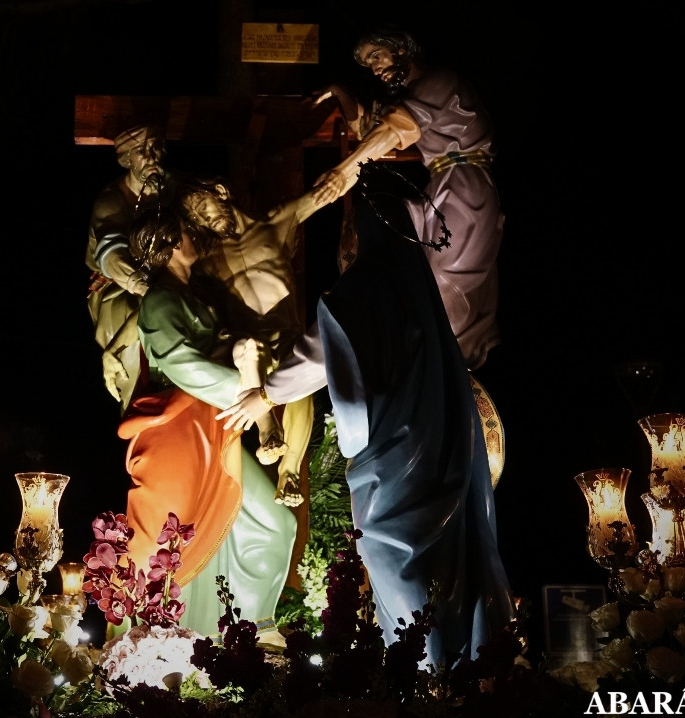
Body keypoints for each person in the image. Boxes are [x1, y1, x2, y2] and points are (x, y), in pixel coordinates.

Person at [216, 167, 516, 669]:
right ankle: (452, 666)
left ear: (368, 226)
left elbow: (318, 352)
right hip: (434, 445)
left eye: (352, 224)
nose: (347, 239)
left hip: (398, 454)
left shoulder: (371, 282)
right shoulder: (414, 283)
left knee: (394, 553)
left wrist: (265, 395)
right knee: (436, 556)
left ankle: (428, 675)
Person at [116, 203, 297, 645]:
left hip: (217, 425)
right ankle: (153, 645)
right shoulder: (158, 300)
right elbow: (180, 363)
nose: (195, 238)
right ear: (173, 243)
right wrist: (244, 390)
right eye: (187, 233)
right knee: (168, 543)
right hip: (179, 433)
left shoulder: (196, 297)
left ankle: (252, 629)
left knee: (275, 521)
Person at [312, 24, 504, 374]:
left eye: (377, 57)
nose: (375, 68)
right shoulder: (412, 96)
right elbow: (370, 131)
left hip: (466, 187)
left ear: (401, 50)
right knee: (400, 260)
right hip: (441, 187)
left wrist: (344, 173)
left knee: (450, 278)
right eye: (369, 65)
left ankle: (447, 368)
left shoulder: (439, 80)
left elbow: (395, 129)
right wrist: (341, 92)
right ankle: (418, 356)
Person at [177, 175, 327, 507]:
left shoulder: (275, 225)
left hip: (286, 336)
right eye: (196, 218)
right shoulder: (205, 260)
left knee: (300, 375)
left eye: (203, 207)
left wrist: (370, 149)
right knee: (248, 350)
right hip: (247, 345)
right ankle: (266, 427)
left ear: (221, 191)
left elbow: (326, 190)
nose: (204, 219)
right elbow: (163, 276)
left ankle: (288, 472)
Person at [85, 122, 168, 411]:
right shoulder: (111, 201)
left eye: (156, 148)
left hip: (167, 282)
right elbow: (111, 256)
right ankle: (135, 393)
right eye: (141, 152)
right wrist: (144, 288)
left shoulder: (172, 191)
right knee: (135, 316)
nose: (152, 156)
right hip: (118, 288)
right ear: (126, 159)